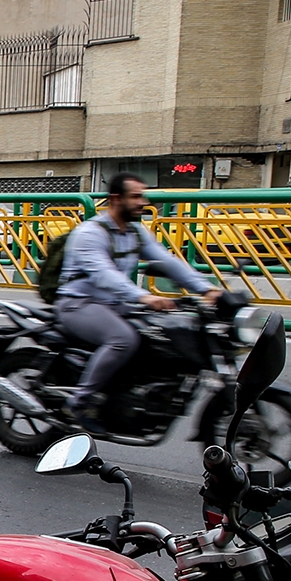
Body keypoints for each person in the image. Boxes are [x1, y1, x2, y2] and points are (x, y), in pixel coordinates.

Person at [56, 173, 222, 434]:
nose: (142, 202)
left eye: (142, 196)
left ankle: (129, 397)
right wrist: (143, 296)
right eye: (135, 197)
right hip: (79, 304)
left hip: (116, 303)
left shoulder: (135, 232)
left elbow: (167, 261)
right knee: (123, 339)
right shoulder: (90, 234)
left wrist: (207, 290)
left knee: (160, 334)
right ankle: (79, 403)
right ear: (115, 199)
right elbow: (103, 275)